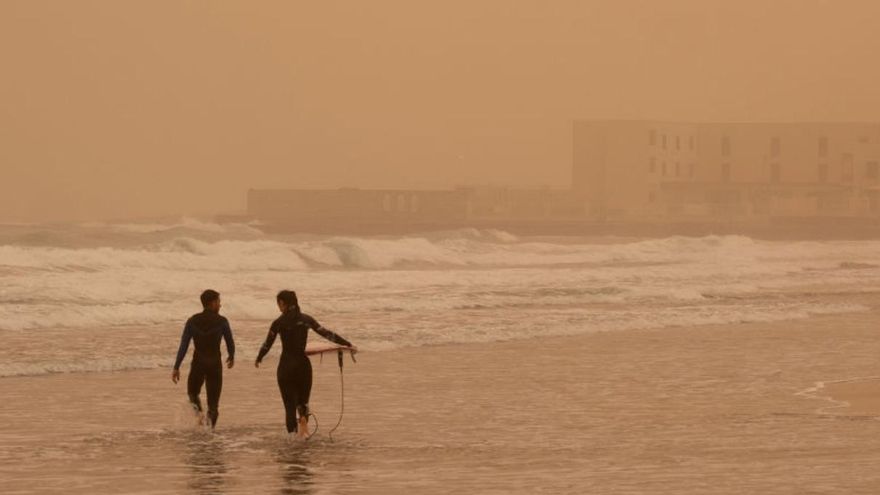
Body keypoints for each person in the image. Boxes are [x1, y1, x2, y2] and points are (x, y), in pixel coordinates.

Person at [255, 290, 354, 439]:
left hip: (286, 367)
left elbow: (267, 343)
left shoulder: (278, 323)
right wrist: (346, 343)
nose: (278, 307)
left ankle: (293, 443)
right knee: (303, 404)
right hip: (303, 366)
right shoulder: (306, 319)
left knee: (289, 407)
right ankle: (303, 425)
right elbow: (327, 334)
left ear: (283, 303)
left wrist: (259, 357)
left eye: (279, 304)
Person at [172, 289, 236, 428]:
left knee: (192, 394)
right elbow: (230, 342)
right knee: (213, 405)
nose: (220, 305)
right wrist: (231, 355)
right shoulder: (222, 321)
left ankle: (200, 416)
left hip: (198, 364)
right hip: (215, 365)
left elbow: (184, 345)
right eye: (218, 302)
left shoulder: (192, 321)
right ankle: (210, 433)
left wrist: (176, 366)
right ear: (212, 303)